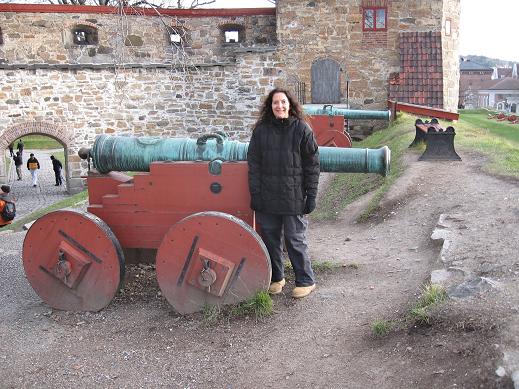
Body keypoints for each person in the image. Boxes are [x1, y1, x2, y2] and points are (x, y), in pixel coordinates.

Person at [247, 88, 320, 299]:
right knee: (270, 238)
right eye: (275, 103)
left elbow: (312, 166)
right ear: (270, 107)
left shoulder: (301, 130)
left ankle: (306, 280)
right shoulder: (261, 131)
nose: (280, 106)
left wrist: (311, 195)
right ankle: (276, 278)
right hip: (268, 195)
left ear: (290, 105)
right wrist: (256, 194)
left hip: (293, 195)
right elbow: (254, 164)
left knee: (294, 239)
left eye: (283, 102)